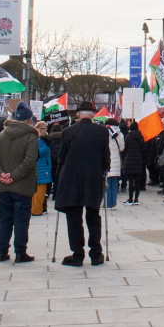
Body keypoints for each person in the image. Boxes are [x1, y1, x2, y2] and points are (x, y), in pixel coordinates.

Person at [56, 101, 110, 265]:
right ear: (93, 115)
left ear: (78, 115)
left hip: (72, 179)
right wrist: (104, 174)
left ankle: (77, 253)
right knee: (93, 215)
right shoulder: (102, 132)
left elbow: (62, 157)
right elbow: (105, 157)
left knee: (74, 217)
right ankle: (96, 253)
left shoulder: (68, 131)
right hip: (93, 179)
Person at [0, 102, 39, 263]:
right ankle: (20, 252)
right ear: (29, 120)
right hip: (22, 186)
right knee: (21, 220)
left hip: (4, 186)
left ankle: (1, 251)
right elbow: (29, 161)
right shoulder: (30, 137)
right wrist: (14, 176)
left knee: (5, 219)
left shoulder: (2, 135)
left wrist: (1, 175)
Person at [122, 122, 146, 205]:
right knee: (138, 180)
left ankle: (130, 198)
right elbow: (143, 149)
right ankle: (136, 199)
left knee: (131, 180)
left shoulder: (128, 137)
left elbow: (125, 148)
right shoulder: (141, 137)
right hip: (138, 159)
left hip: (129, 159)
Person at [32, 121, 52, 216]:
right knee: (39, 192)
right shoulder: (38, 140)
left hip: (44, 167)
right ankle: (36, 209)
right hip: (40, 167)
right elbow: (37, 153)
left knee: (41, 191)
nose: (46, 130)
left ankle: (38, 208)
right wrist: (46, 146)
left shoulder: (43, 140)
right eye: (44, 128)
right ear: (39, 129)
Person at [105, 119, 125, 208]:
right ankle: (113, 203)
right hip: (116, 159)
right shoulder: (120, 134)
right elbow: (122, 148)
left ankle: (107, 203)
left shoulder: (105, 133)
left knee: (107, 183)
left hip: (107, 159)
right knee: (114, 183)